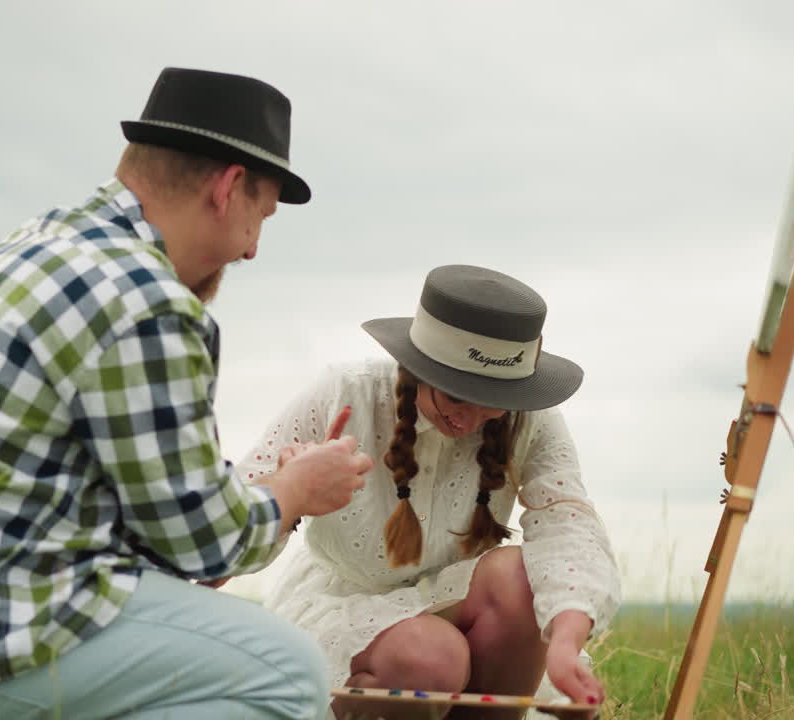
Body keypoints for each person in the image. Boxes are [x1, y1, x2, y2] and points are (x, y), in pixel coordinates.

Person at [0, 67, 373, 720]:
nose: (253, 249)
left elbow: (155, 527)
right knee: (289, 671)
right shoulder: (145, 300)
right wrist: (294, 493)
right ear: (229, 188)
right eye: (262, 214)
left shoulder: (44, 246)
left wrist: (254, 501)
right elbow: (204, 544)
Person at [234, 265, 620, 720]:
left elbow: (567, 525)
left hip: (459, 600)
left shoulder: (531, 420)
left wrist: (564, 639)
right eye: (456, 396)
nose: (470, 420)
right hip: (346, 603)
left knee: (519, 577)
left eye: (490, 400)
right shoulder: (345, 389)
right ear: (417, 368)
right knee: (432, 658)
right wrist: (289, 491)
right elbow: (233, 520)